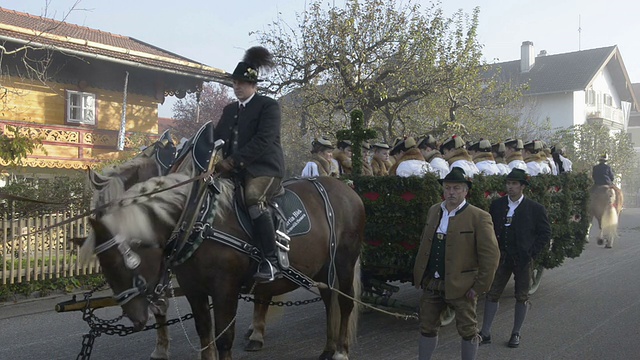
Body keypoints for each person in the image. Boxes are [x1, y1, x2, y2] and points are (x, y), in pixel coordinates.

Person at [213, 46, 285, 283]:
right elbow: (217, 137)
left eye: (242, 83)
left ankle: (271, 261)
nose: (237, 86)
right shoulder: (230, 109)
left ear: (254, 85)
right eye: (235, 82)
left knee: (254, 199)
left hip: (264, 169)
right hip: (232, 170)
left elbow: (263, 141)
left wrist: (232, 161)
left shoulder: (268, 106)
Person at [413, 167, 500, 360]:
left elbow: (491, 256)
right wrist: (422, 276)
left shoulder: (479, 217)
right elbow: (425, 244)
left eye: (456, 188)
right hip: (432, 283)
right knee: (426, 328)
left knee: (468, 330)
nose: (451, 192)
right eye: (447, 187)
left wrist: (478, 287)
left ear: (465, 191)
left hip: (463, 286)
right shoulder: (434, 210)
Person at [479, 168, 551, 348]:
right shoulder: (497, 205)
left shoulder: (535, 208)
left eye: (514, 184)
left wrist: (531, 252)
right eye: (508, 183)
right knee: (492, 293)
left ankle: (516, 333)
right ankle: (485, 332)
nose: (510, 187)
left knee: (521, 296)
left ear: (522, 186)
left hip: (523, 258)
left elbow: (545, 233)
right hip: (502, 256)